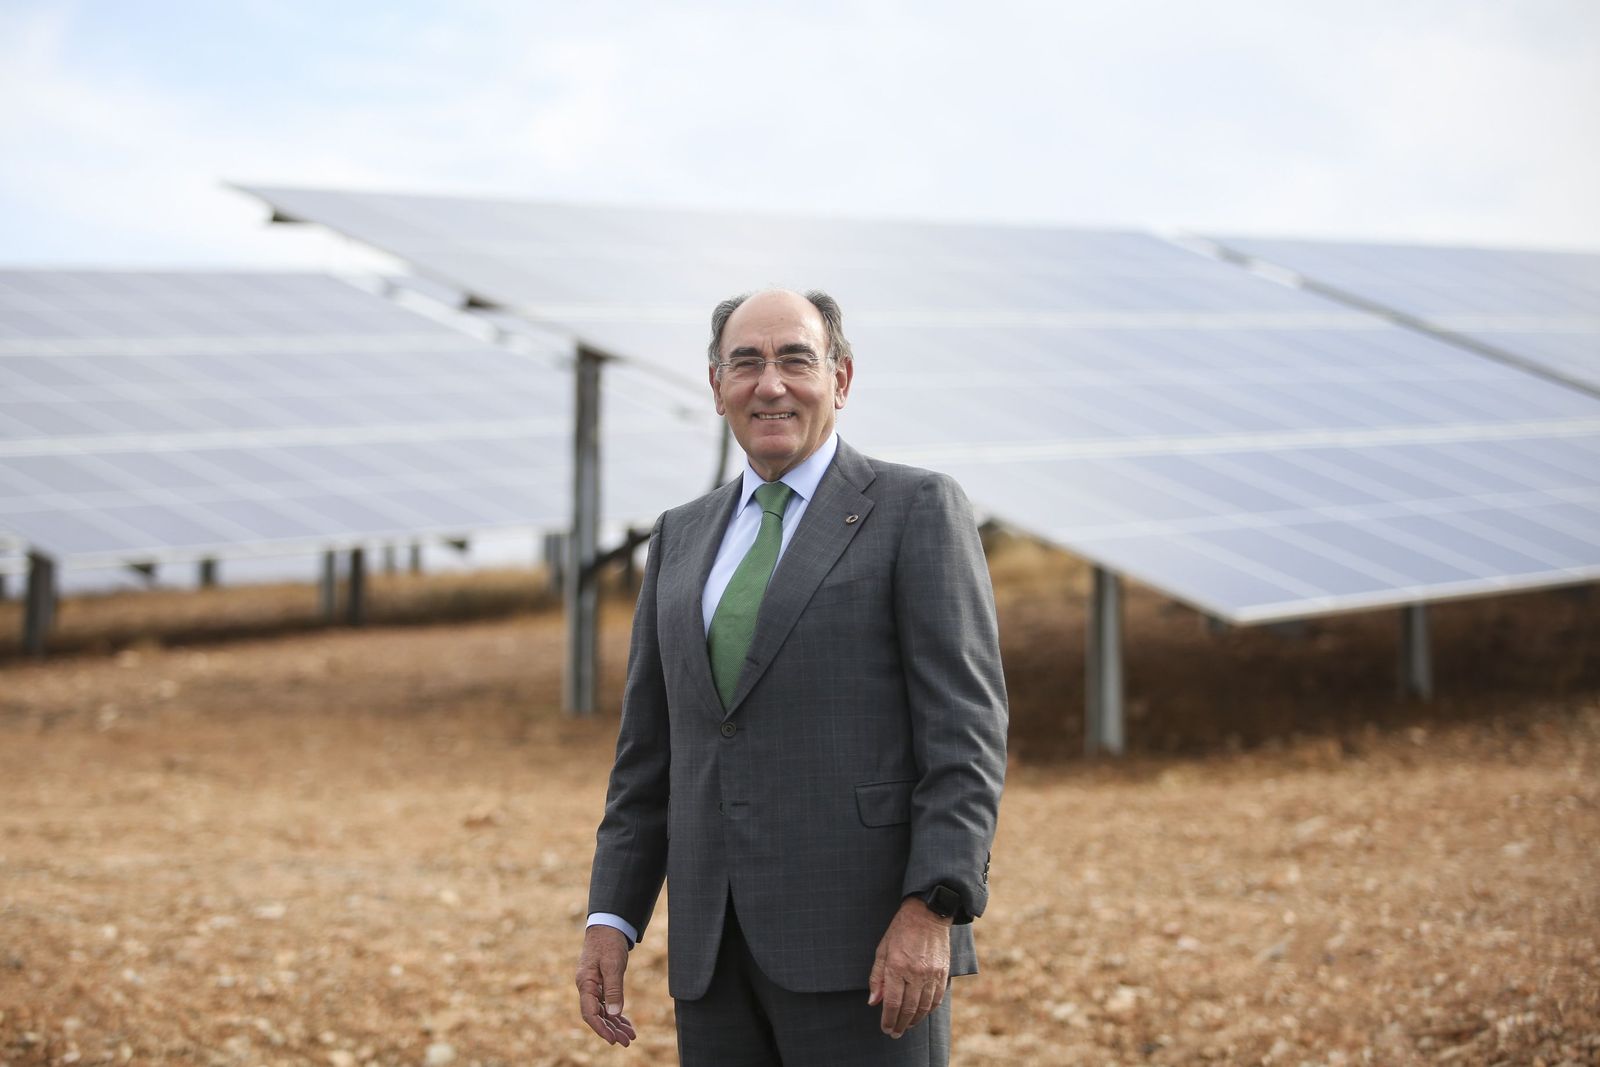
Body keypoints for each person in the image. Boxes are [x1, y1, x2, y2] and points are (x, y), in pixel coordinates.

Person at [575, 287, 1008, 1066]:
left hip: (870, 950)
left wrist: (933, 907)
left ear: (840, 379)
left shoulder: (915, 510)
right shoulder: (680, 536)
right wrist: (613, 913)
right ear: (716, 388)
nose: (769, 384)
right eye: (746, 363)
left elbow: (966, 738)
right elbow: (649, 753)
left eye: (795, 360)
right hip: (712, 956)